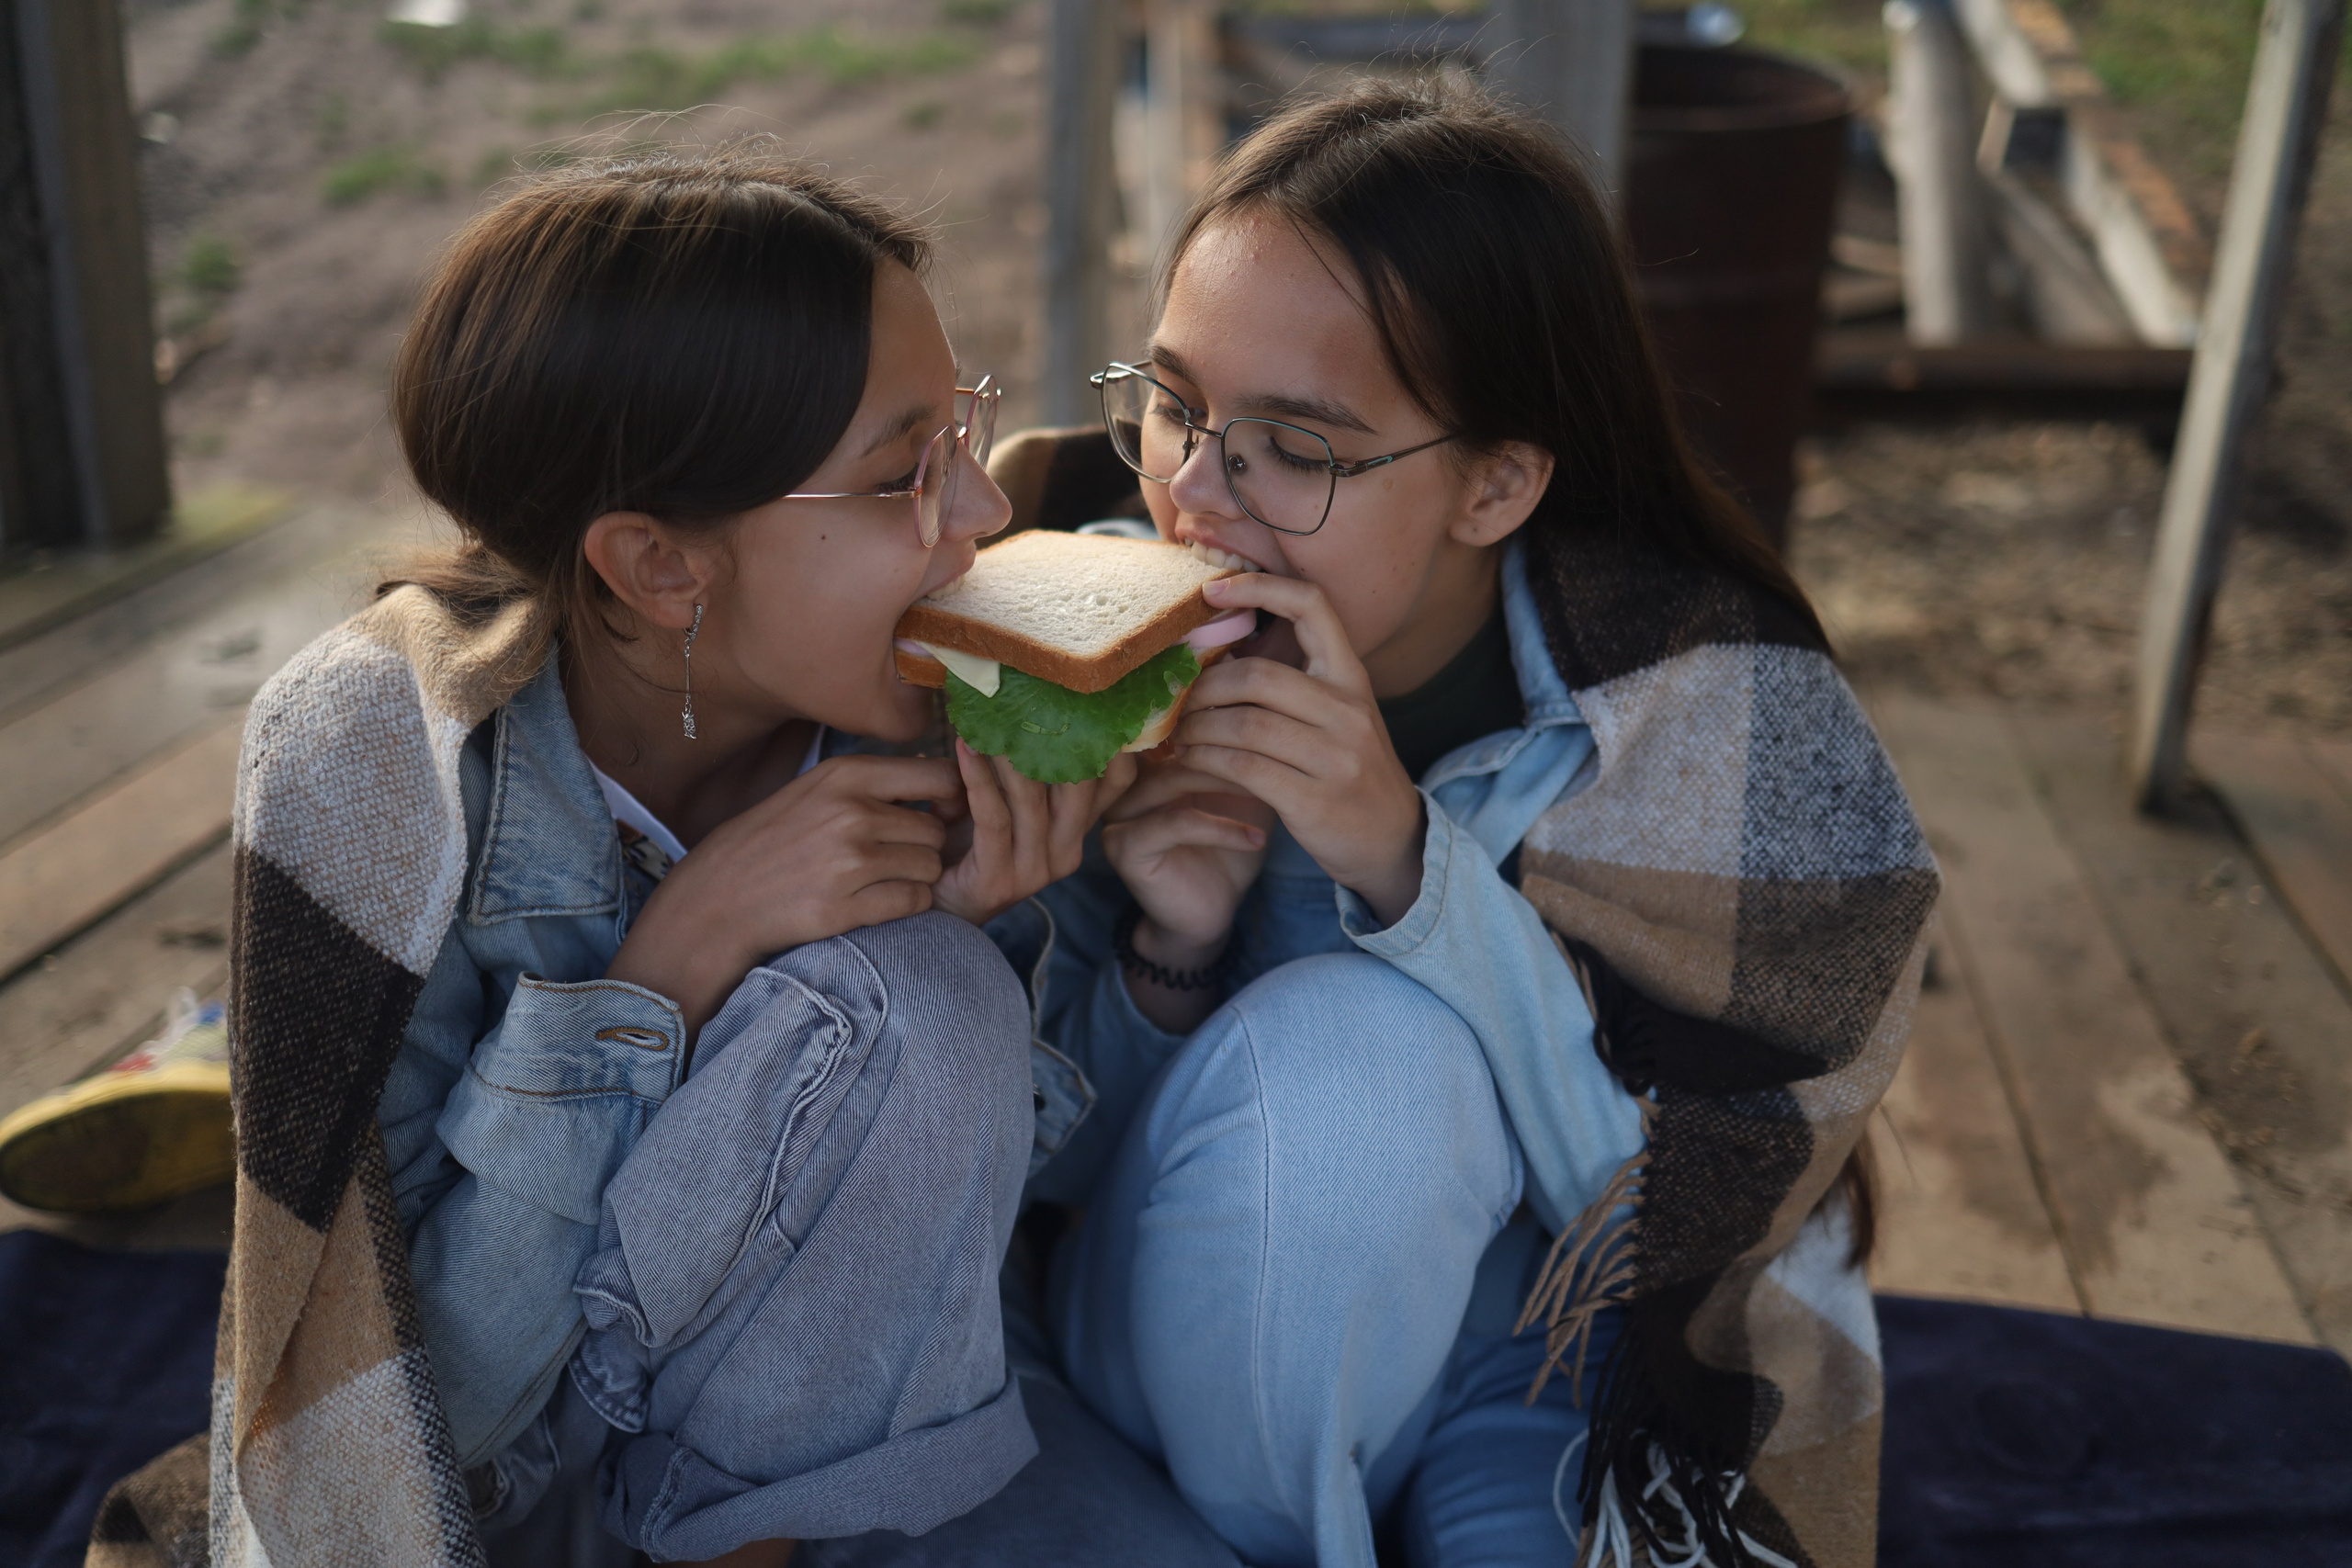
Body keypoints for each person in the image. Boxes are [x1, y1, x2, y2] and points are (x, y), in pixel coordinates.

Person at [187, 145, 1182, 1568]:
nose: (985, 515)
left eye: (964, 433)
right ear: (661, 568)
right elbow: (402, 1432)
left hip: (863, 1452)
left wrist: (1029, 938)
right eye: (908, 471)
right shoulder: (374, 765)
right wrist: (675, 962)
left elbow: (947, 1287)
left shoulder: (937, 724)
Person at [1013, 80, 1939, 1568]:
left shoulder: (1704, 710)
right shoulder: (1058, 636)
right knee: (1366, 1068)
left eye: (1295, 448)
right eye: (1176, 403)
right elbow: (1032, 1195)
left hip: (1553, 1368)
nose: (1192, 497)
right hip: (1172, 1366)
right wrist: (1164, 961)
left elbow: (1672, 1232)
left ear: (1497, 482)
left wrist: (1406, 866)